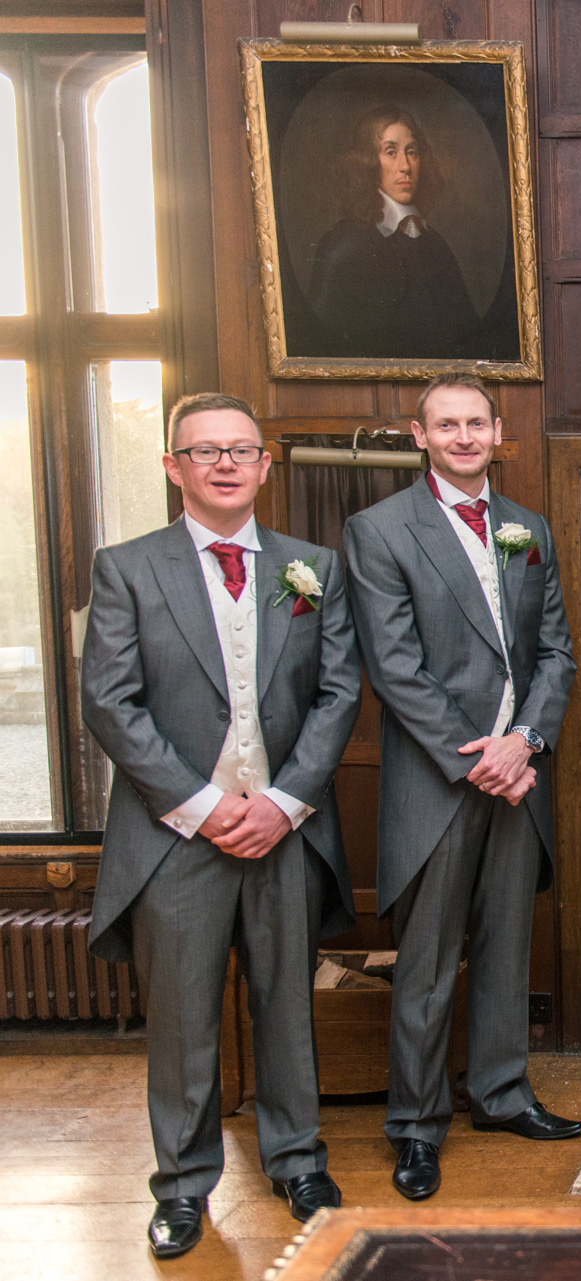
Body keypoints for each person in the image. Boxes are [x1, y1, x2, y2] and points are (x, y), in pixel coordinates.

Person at [81, 393, 361, 1257]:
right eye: (204, 451)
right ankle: (182, 1185)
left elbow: (338, 693)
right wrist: (205, 808)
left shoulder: (311, 565)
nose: (225, 463)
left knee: (287, 1004)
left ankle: (296, 1156)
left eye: (240, 448)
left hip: (284, 829)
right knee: (184, 1017)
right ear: (174, 467)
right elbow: (110, 701)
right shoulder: (127, 567)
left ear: (264, 465)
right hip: (176, 840)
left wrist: (281, 803)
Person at [343, 372, 578, 1201]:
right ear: (421, 435)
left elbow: (556, 653)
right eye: (448, 425)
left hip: (520, 773)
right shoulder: (378, 531)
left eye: (477, 422)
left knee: (507, 943)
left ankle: (503, 1092)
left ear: (498, 429)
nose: (465, 436)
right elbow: (394, 666)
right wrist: (480, 757)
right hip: (443, 782)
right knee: (430, 961)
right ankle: (414, 1124)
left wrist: (526, 743)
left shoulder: (528, 528)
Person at [308, 105, 483, 358]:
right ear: (367, 163)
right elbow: (321, 348)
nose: (405, 166)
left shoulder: (435, 244)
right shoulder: (343, 245)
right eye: (391, 152)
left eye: (412, 152)